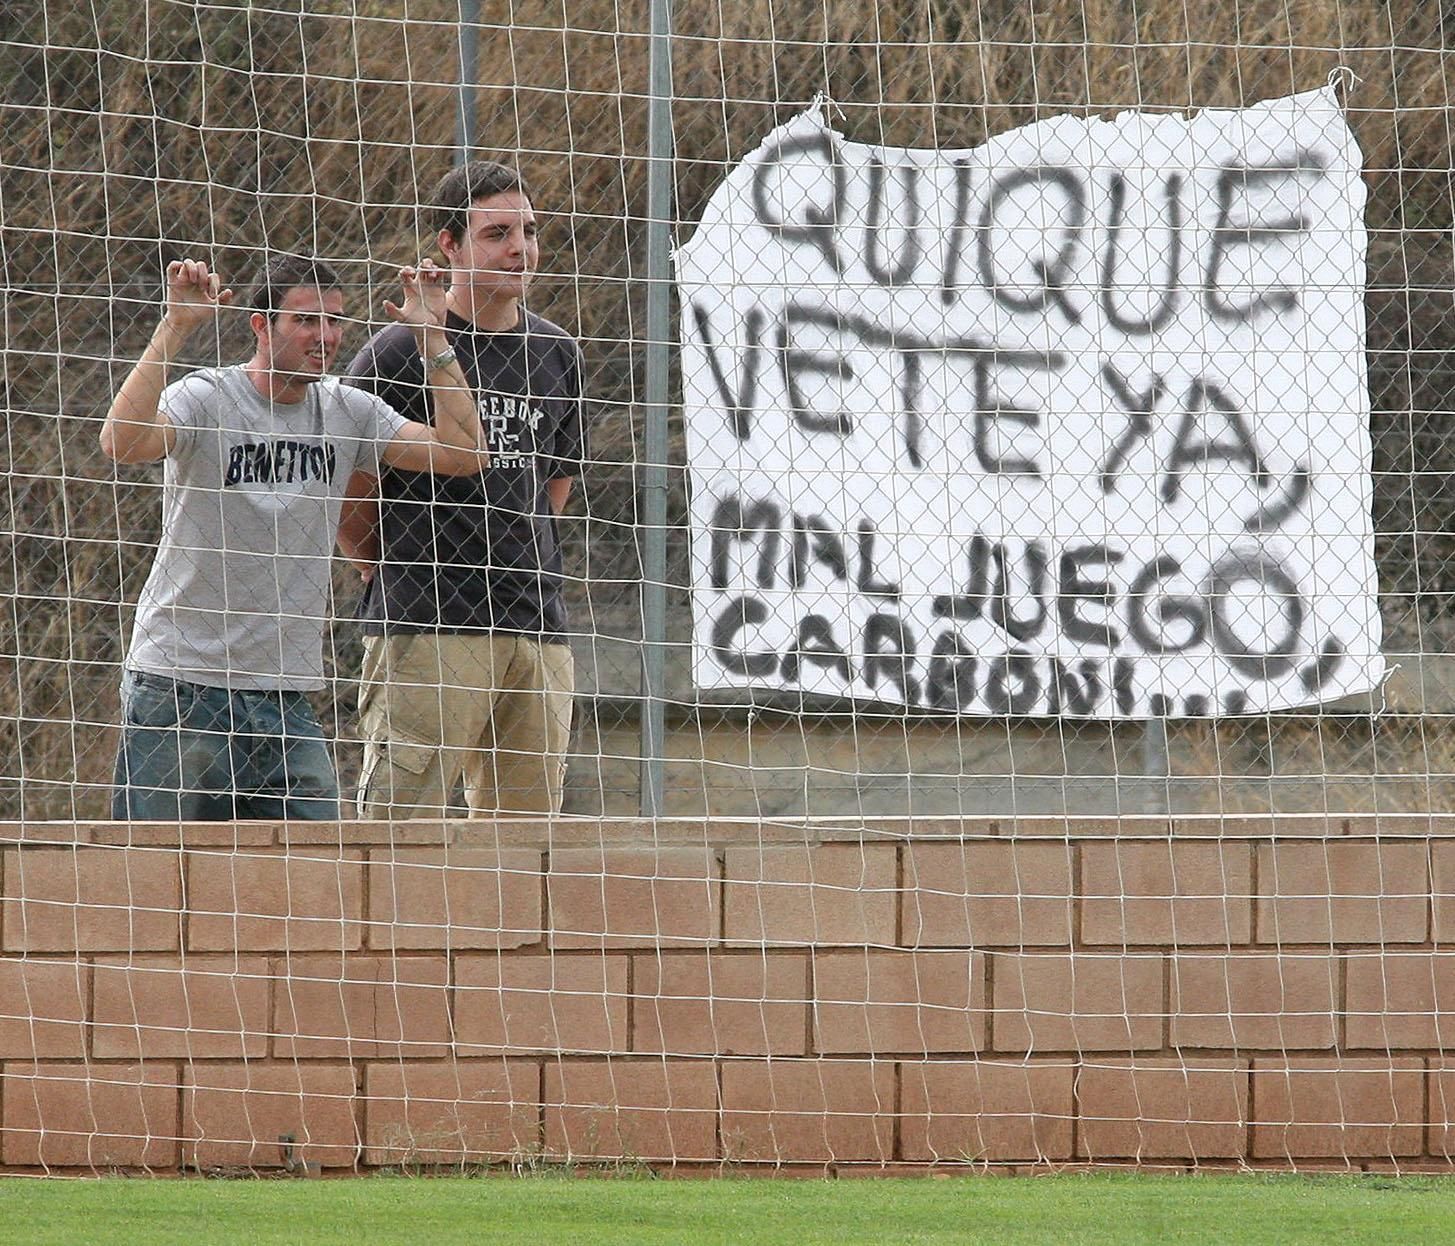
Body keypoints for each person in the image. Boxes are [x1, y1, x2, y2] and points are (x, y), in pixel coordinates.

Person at [103, 252, 486, 820]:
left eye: (334, 321)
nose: (325, 336)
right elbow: (122, 441)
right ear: (262, 325)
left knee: (312, 887)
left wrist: (432, 336)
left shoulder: (346, 411)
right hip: (178, 685)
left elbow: (463, 452)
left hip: (284, 696)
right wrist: (176, 326)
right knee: (162, 885)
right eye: (307, 320)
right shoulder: (208, 396)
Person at [340, 159, 586, 818]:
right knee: (400, 837)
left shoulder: (556, 351)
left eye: (528, 232)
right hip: (429, 627)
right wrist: (387, 576)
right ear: (448, 246)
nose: (519, 249)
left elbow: (550, 490)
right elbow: (348, 495)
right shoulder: (396, 353)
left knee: (523, 850)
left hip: (536, 628)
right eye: (496, 233)